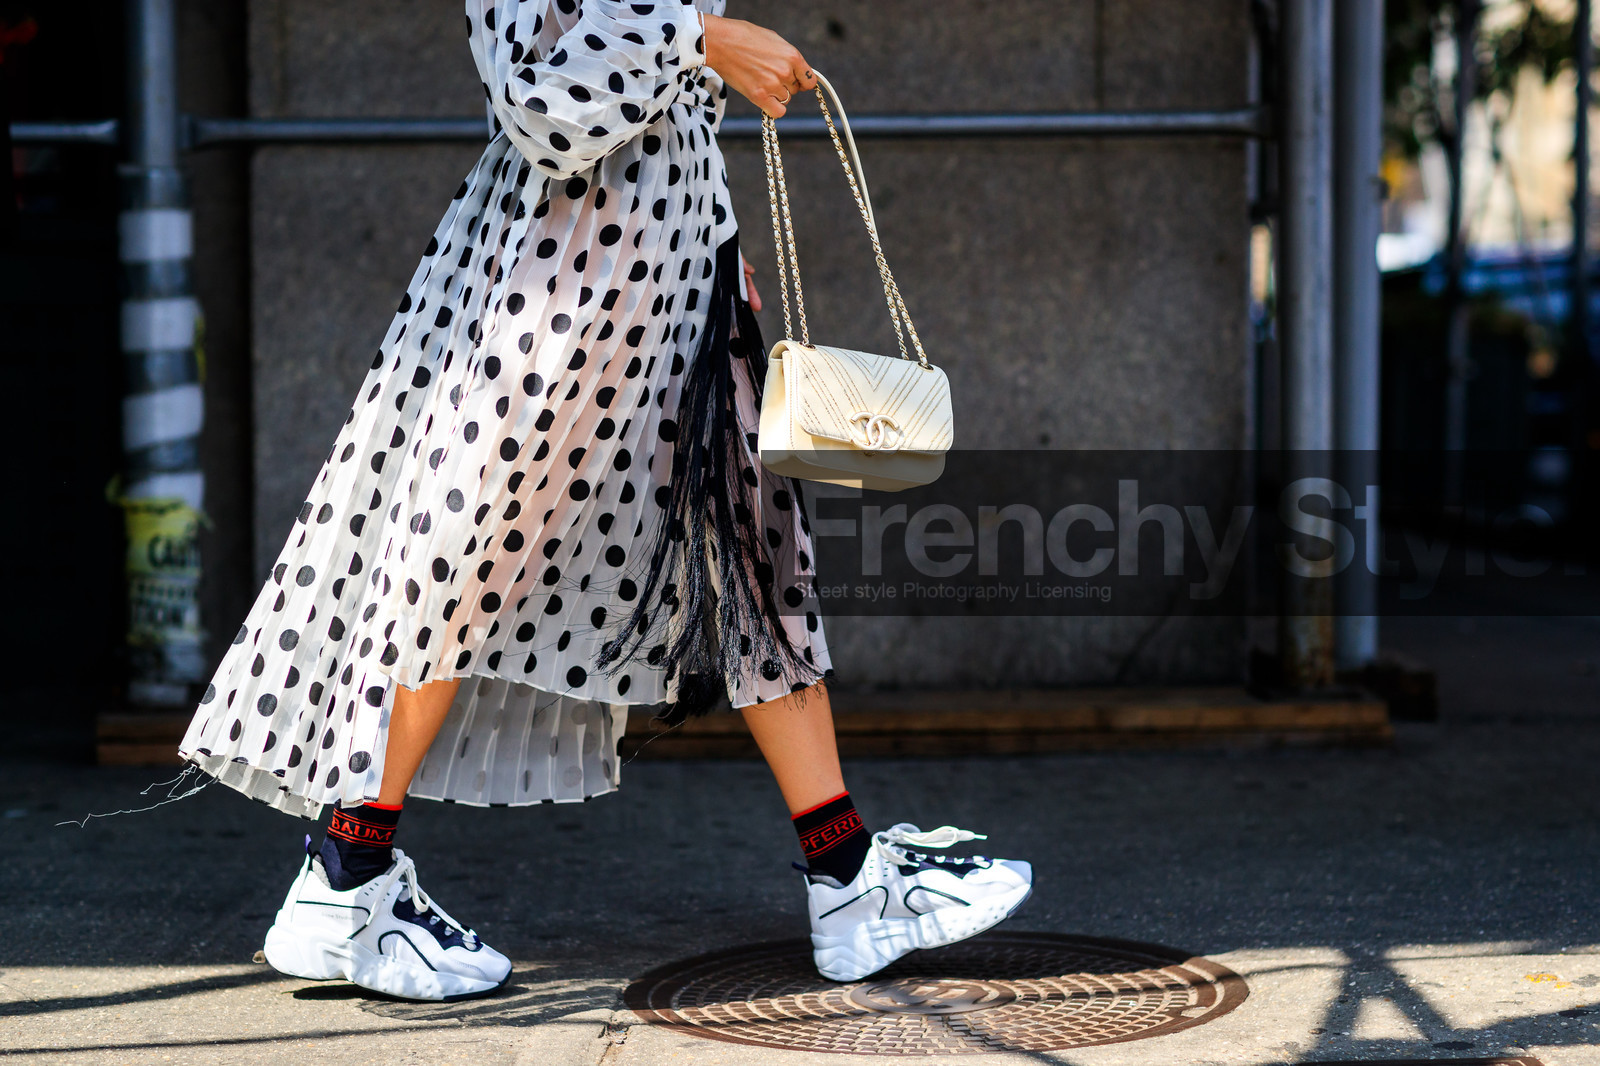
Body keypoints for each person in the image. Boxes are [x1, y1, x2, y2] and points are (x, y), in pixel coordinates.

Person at [177, 0, 1032, 1002]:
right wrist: (701, 40)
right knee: (455, 562)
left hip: (676, 280)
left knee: (760, 559)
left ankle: (846, 876)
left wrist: (721, 251)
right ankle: (345, 877)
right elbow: (536, 102)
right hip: (565, 284)